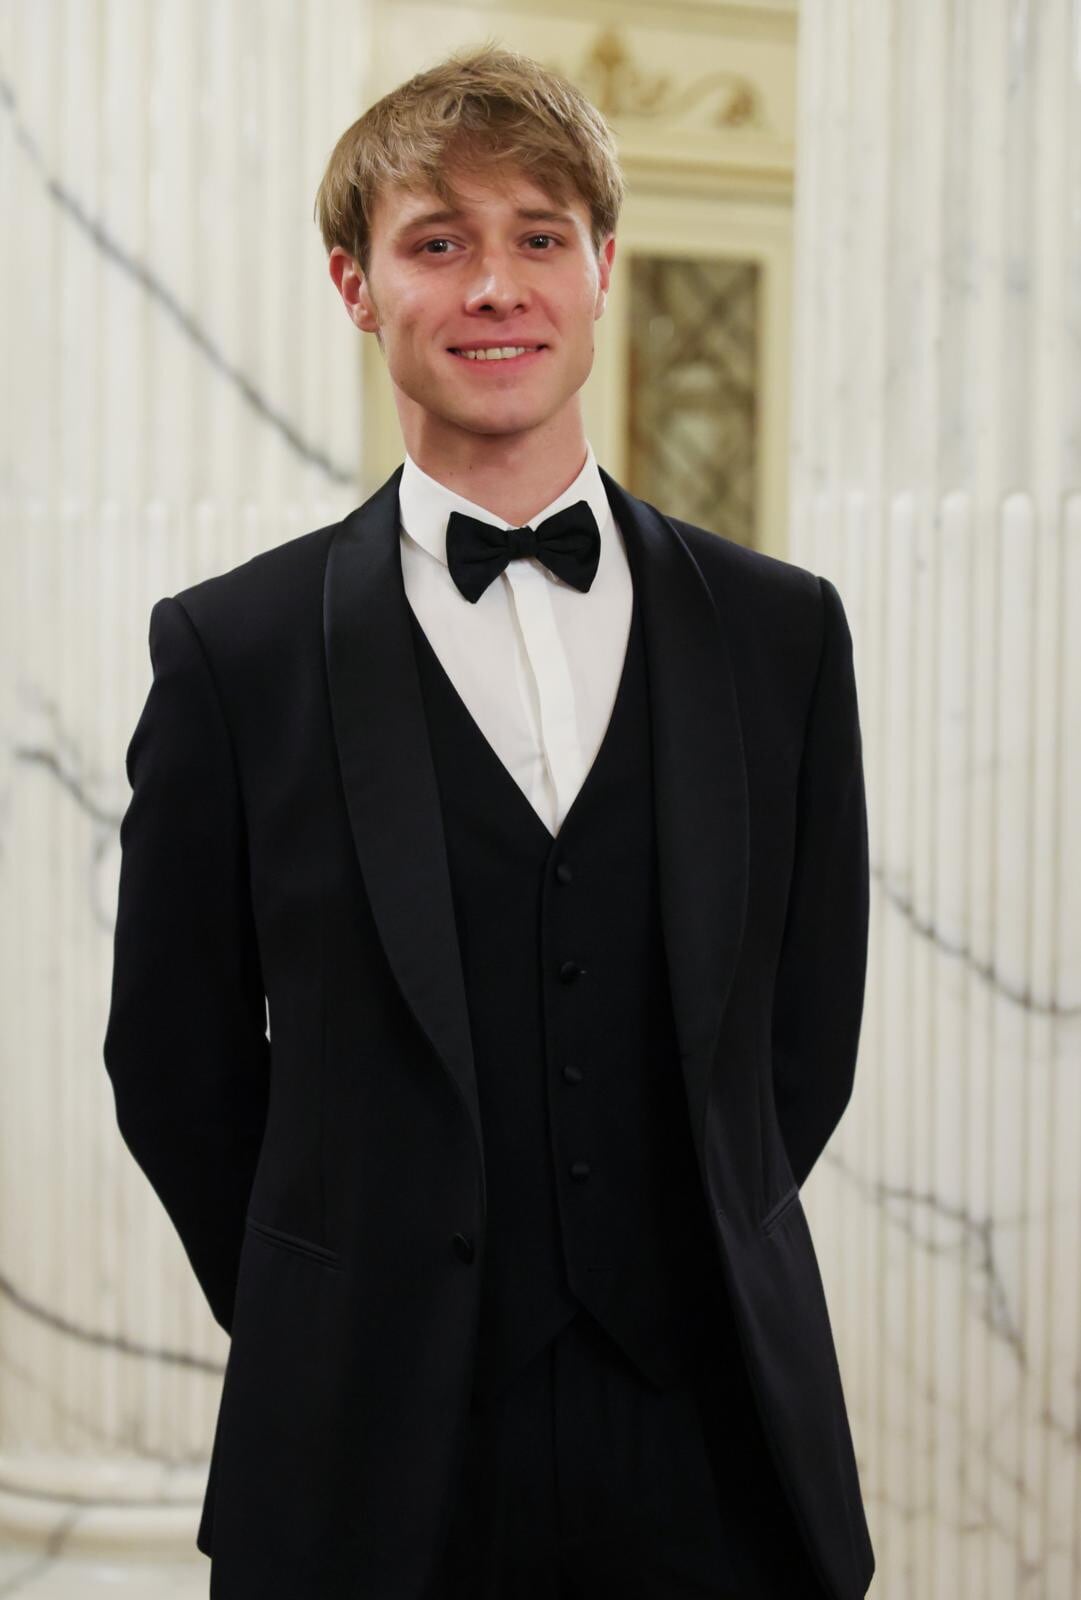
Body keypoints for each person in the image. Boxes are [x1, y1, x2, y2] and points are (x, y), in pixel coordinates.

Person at [103, 40, 875, 1600]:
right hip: (363, 1453)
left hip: (713, 1442)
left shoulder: (779, 632)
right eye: (438, 243)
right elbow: (174, 1061)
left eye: (537, 236)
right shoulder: (234, 652)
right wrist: (335, 1307)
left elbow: (798, 1037)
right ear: (357, 285)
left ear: (603, 268)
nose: (495, 287)